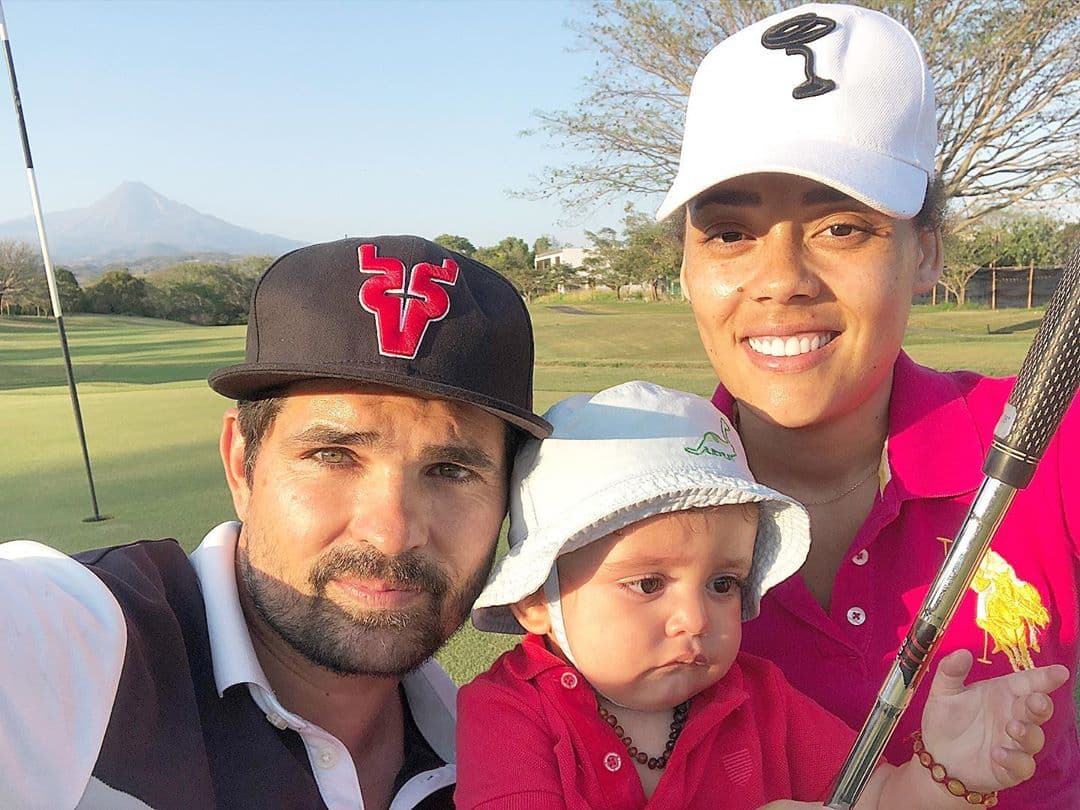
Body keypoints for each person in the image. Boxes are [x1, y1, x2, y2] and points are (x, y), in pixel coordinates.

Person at [655, 4, 1080, 807]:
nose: (781, 279)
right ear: (684, 267)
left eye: (842, 227)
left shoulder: (1053, 440)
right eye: (728, 233)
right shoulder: (616, 491)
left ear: (926, 252)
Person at [0, 235, 551, 810]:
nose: (391, 532)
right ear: (242, 465)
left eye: (451, 470)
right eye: (334, 455)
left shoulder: (506, 757)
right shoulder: (82, 652)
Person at [455, 381, 1068, 809]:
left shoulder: (760, 699)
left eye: (724, 584)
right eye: (648, 584)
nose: (694, 618)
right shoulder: (510, 715)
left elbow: (872, 795)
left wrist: (946, 771)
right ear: (536, 598)